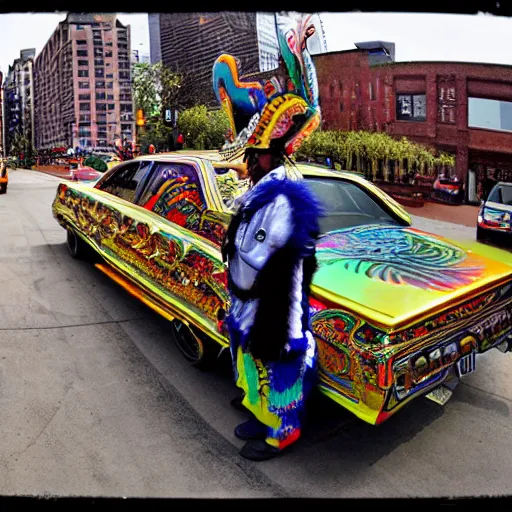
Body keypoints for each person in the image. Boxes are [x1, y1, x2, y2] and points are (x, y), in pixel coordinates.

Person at [213, 13, 323, 461]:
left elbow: (275, 259)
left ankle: (282, 434)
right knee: (250, 365)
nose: (243, 163)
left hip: (275, 307)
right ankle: (262, 419)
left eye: (249, 156)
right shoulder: (259, 191)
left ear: (264, 157)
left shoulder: (285, 197)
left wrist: (278, 320)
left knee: (276, 368)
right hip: (250, 303)